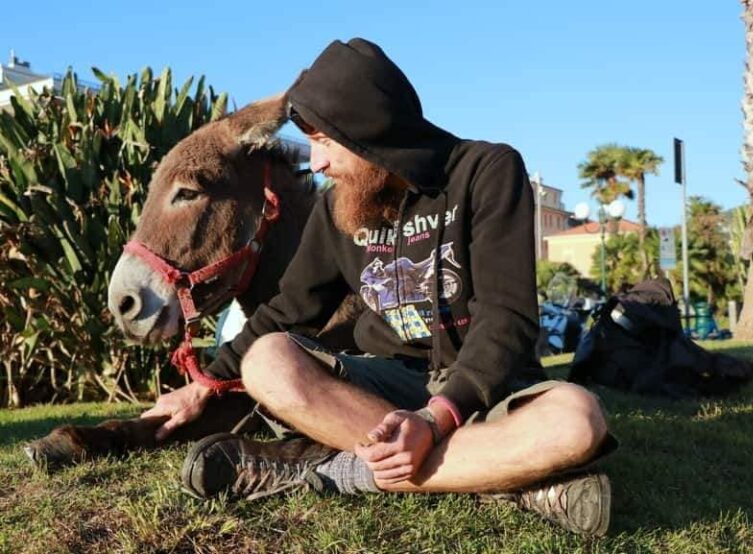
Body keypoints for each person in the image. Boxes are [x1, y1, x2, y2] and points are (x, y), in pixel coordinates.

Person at [142, 38, 617, 536]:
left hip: (486, 387)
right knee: (267, 361)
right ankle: (507, 481)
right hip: (386, 387)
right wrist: (204, 385)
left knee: (577, 420)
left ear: (368, 130)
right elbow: (287, 311)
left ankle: (333, 471)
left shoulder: (487, 172)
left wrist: (435, 419)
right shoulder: (337, 207)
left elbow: (506, 317)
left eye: (325, 141)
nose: (317, 162)